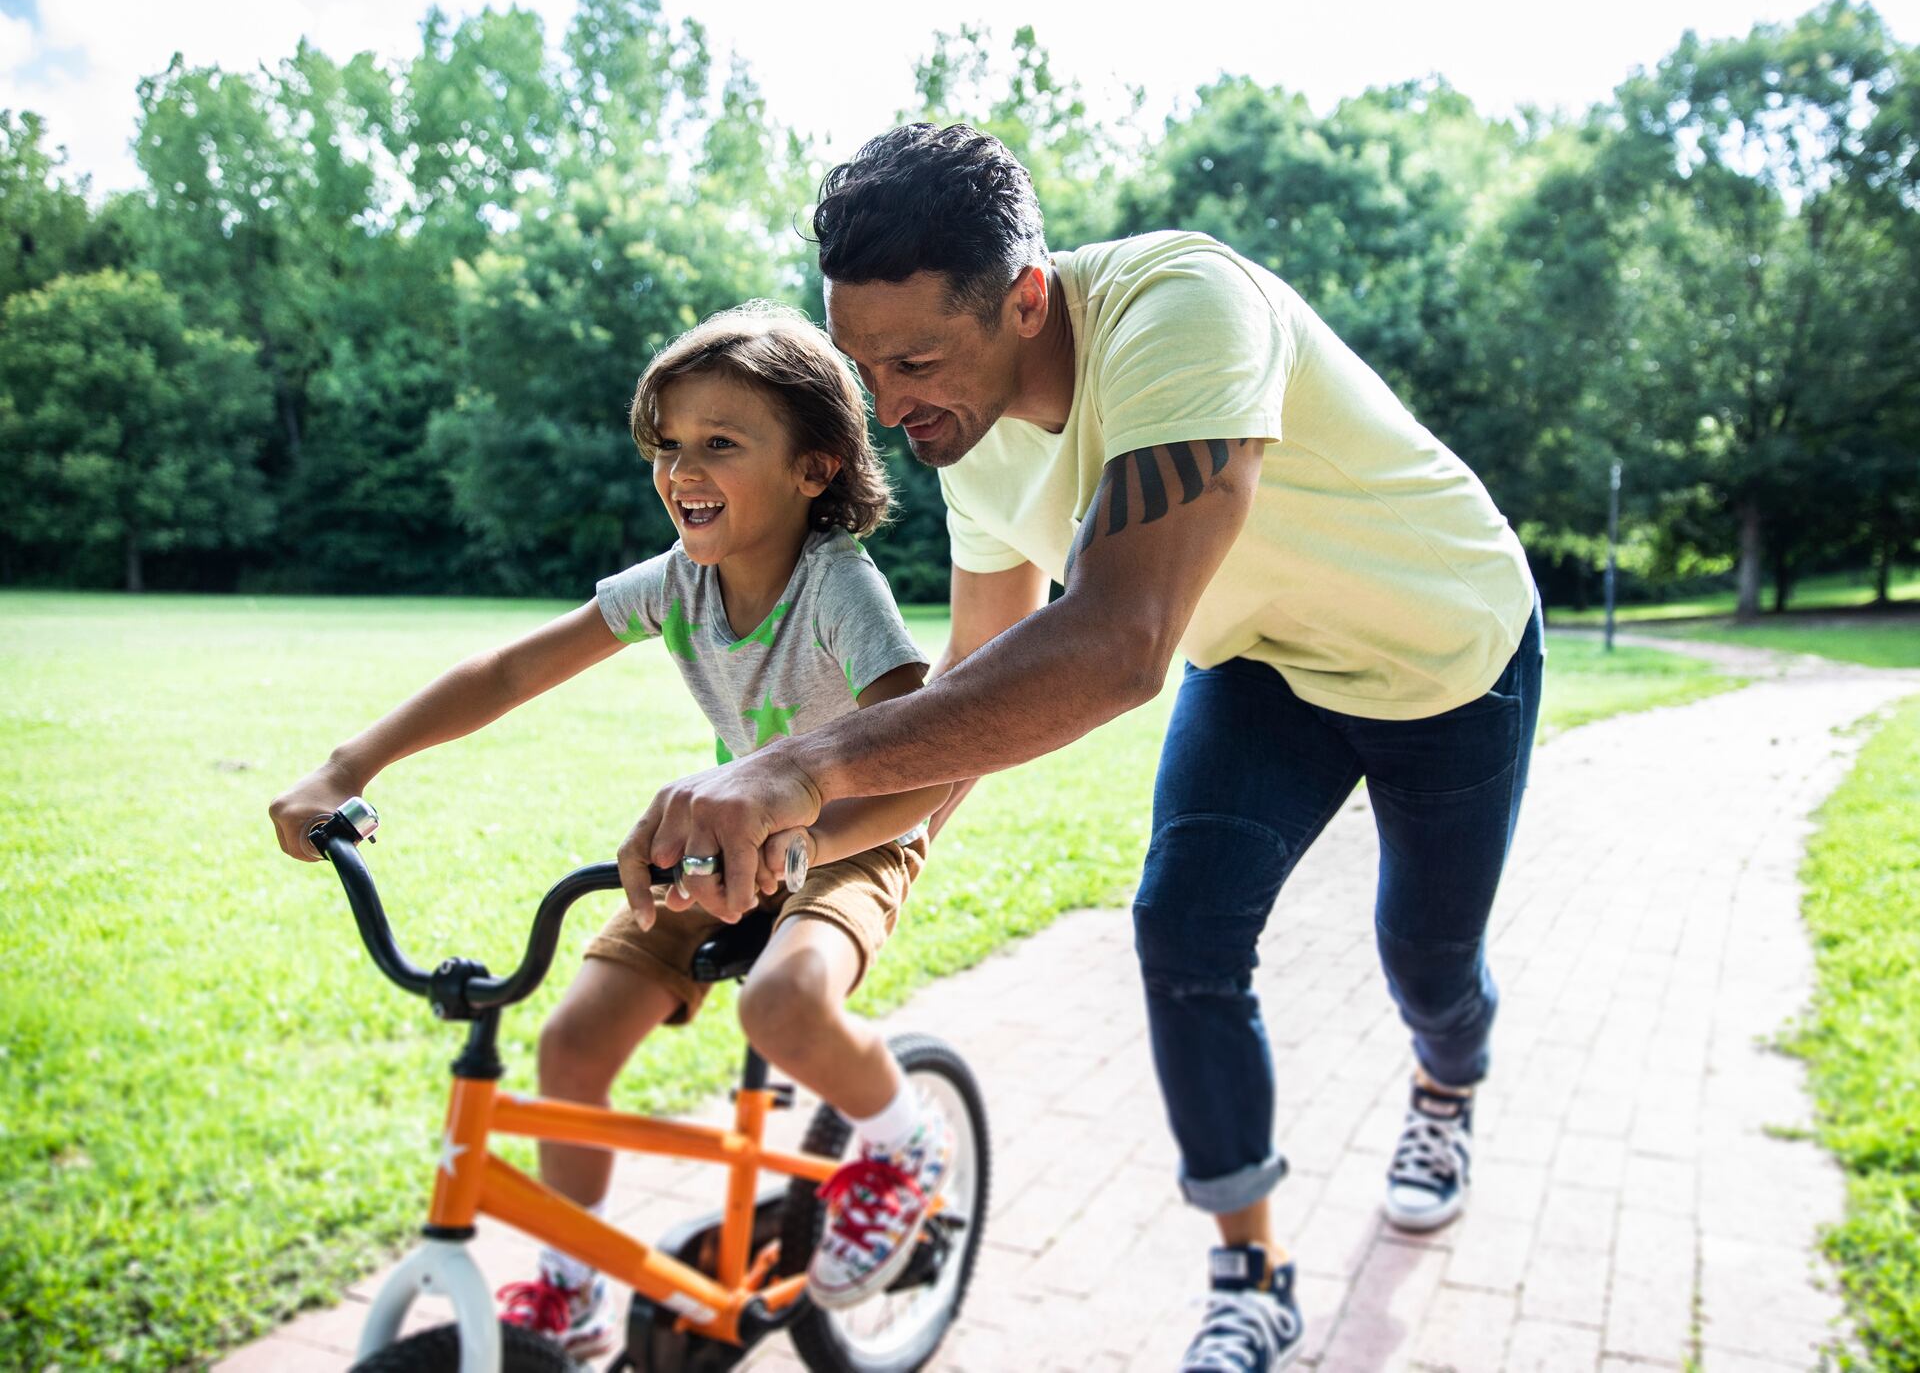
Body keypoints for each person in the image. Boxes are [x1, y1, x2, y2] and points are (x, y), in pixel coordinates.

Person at [617, 125, 1544, 1373]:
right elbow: (972, 690)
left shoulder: (1183, 307)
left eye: (916, 360)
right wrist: (820, 858)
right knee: (1182, 931)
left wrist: (795, 769)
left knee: (1426, 960)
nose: (889, 407)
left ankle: (1448, 1080)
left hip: (1447, 655)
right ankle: (1251, 1275)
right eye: (863, 364)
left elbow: (1116, 643)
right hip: (1264, 664)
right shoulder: (967, 430)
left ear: (1028, 298)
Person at [268, 302, 956, 1360]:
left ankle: (903, 1146)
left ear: (815, 468)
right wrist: (348, 766)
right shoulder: (678, 582)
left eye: (720, 443)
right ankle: (573, 1283)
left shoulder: (839, 586)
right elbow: (507, 670)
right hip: (725, 833)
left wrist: (806, 841)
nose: (682, 467)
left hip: (855, 834)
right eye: (668, 445)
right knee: (569, 1041)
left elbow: (924, 754)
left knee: (782, 1001)